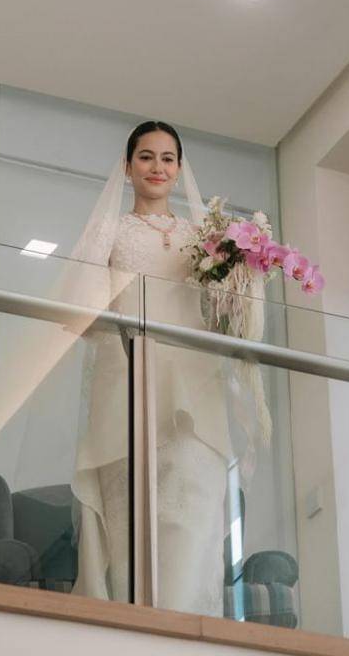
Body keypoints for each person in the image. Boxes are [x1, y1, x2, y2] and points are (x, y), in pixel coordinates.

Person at [68, 121, 267, 612]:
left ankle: (186, 624)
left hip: (194, 386)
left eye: (167, 158)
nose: (157, 167)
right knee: (131, 513)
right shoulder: (111, 230)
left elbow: (221, 315)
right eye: (146, 156)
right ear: (127, 166)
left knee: (193, 508)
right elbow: (77, 311)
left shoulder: (204, 238)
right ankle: (131, 624)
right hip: (128, 378)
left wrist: (244, 280)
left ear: (179, 169)